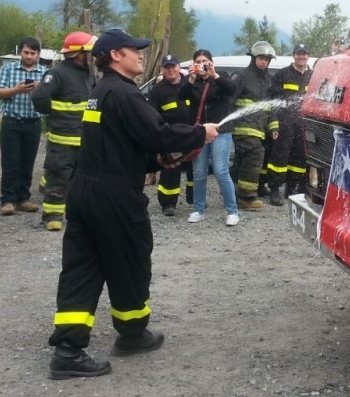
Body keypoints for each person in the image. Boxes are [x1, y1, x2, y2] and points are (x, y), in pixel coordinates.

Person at [47, 29, 219, 379]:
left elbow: (119, 145)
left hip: (85, 190)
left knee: (82, 267)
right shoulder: (125, 94)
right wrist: (201, 133)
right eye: (134, 50)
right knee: (130, 261)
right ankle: (132, 334)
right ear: (114, 56)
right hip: (114, 196)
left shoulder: (100, 93)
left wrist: (156, 163)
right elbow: (158, 133)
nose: (142, 55)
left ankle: (68, 350)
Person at [30, 31, 96, 231]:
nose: (92, 56)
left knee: (82, 179)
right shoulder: (57, 73)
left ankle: (76, 213)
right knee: (59, 176)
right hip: (62, 138)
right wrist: (56, 114)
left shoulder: (88, 73)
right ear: (79, 53)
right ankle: (52, 215)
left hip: (84, 138)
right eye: (89, 52)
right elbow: (39, 98)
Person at [179, 49, 240, 225]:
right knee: (198, 172)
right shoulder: (192, 81)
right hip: (200, 132)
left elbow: (231, 89)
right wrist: (190, 79)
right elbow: (181, 95)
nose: (202, 64)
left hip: (221, 131)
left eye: (205, 60)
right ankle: (198, 210)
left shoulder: (220, 77)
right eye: (198, 61)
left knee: (221, 170)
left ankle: (232, 212)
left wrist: (214, 75)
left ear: (211, 62)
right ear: (193, 64)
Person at [0, 37, 46, 216]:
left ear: (38, 54)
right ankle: (8, 200)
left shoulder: (45, 73)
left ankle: (23, 199)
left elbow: (50, 98)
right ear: (20, 52)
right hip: (12, 123)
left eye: (33, 53)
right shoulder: (8, 69)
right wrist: (17, 89)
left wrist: (40, 90)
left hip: (33, 123)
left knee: (27, 163)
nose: (29, 56)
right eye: (26, 52)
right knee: (10, 163)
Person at [229, 40, 275, 209]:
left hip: (259, 129)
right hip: (243, 127)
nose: (264, 61)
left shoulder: (268, 80)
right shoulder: (241, 76)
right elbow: (230, 102)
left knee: (242, 161)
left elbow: (271, 107)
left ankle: (232, 190)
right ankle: (246, 198)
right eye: (261, 57)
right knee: (256, 154)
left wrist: (273, 127)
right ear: (253, 58)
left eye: (267, 59)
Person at [146, 54, 194, 216]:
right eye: (167, 67)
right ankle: (168, 203)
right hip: (172, 137)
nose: (171, 70)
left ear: (180, 67)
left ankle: (194, 198)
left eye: (173, 66)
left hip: (193, 133)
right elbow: (152, 115)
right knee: (171, 170)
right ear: (163, 70)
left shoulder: (190, 83)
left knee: (196, 170)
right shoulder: (157, 91)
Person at [265, 44, 313, 205]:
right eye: (298, 54)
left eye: (304, 54)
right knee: (280, 155)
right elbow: (272, 102)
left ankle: (292, 188)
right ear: (293, 56)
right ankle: (274, 190)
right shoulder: (282, 74)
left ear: (308, 56)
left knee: (300, 157)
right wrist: (274, 124)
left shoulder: (313, 75)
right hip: (284, 123)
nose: (301, 57)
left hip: (303, 124)